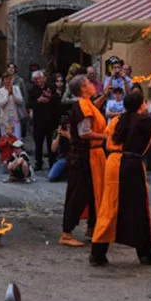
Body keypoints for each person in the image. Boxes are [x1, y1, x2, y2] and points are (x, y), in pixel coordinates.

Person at [91, 90, 151, 266]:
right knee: (138, 209)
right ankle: (145, 254)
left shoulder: (118, 119)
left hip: (113, 163)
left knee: (110, 207)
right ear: (141, 105)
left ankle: (98, 253)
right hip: (130, 165)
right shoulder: (145, 121)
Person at [60, 75, 107, 247]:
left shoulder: (86, 103)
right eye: (89, 83)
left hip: (92, 156)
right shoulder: (81, 106)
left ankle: (92, 227)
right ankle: (66, 233)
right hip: (84, 156)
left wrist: (105, 95)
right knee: (78, 194)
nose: (93, 85)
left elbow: (93, 109)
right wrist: (106, 137)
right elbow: (84, 133)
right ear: (83, 88)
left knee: (94, 193)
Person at [28, 70, 58, 172]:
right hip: (38, 120)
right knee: (38, 143)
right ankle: (38, 162)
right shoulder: (32, 90)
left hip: (50, 120)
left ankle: (52, 162)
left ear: (43, 78)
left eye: (39, 78)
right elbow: (30, 104)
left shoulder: (51, 87)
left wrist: (50, 97)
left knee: (51, 142)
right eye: (35, 80)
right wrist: (38, 101)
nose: (38, 81)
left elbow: (58, 100)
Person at [0, 73, 24, 139]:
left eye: (10, 79)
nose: (8, 81)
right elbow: (1, 104)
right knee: (5, 140)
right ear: (3, 80)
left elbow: (20, 101)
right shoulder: (0, 91)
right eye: (6, 79)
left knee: (16, 139)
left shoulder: (16, 88)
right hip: (5, 119)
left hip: (15, 118)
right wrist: (8, 94)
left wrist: (13, 94)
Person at [48, 115, 71, 182]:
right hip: (63, 157)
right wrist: (58, 135)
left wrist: (68, 136)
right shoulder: (57, 132)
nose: (68, 127)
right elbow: (53, 149)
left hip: (74, 156)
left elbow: (77, 145)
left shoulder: (75, 130)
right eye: (67, 126)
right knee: (51, 177)